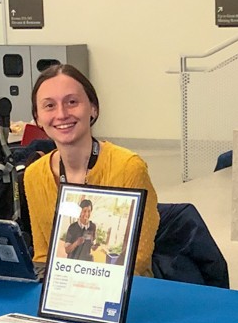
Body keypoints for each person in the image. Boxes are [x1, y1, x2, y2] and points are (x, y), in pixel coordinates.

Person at [23, 64, 161, 275]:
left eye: (72, 102)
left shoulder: (129, 168)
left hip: (124, 291)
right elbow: (43, 257)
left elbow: (138, 261)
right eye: (49, 106)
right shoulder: (34, 175)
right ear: (38, 118)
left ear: (93, 108)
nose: (61, 114)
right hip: (61, 292)